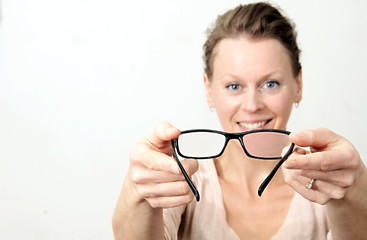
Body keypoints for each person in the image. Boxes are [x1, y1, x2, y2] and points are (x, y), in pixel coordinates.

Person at [112, 2, 367, 239]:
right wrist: (138, 193)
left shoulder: (327, 187)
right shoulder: (185, 182)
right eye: (234, 86)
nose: (252, 105)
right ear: (209, 90)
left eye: (270, 84)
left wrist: (356, 190)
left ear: (297, 85)